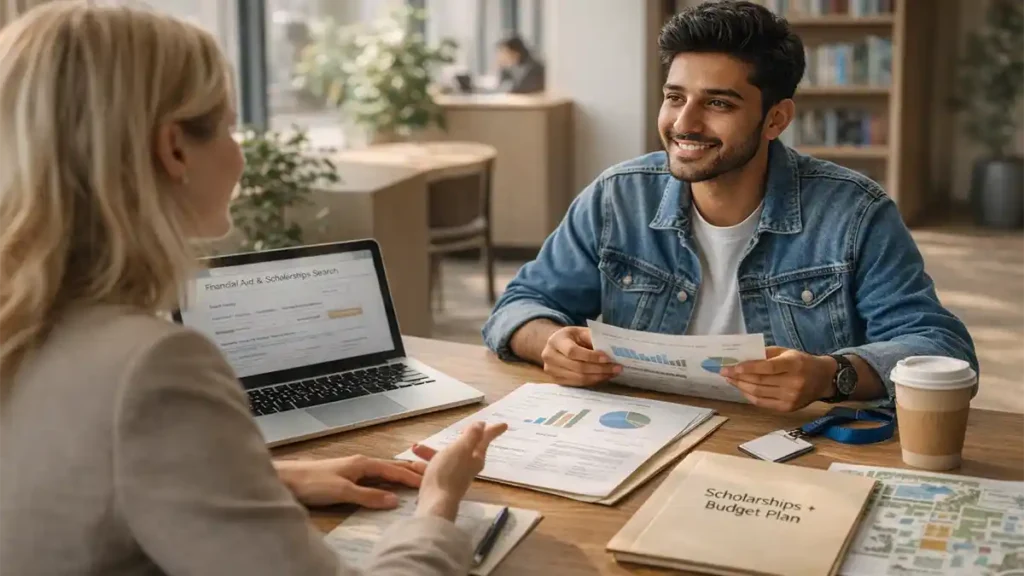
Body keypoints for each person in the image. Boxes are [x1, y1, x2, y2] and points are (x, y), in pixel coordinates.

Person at [0, 3, 506, 576]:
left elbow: (83, 491)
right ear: (174, 149)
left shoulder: (29, 330)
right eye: (229, 127)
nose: (239, 153)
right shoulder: (151, 367)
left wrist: (265, 480)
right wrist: (438, 506)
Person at [482, 0, 977, 413]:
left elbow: (939, 347)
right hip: (638, 430)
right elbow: (519, 306)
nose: (685, 123)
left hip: (790, 449)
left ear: (776, 119)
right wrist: (548, 342)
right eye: (675, 97)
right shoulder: (617, 196)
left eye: (718, 103)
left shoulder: (855, 213)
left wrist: (832, 375)